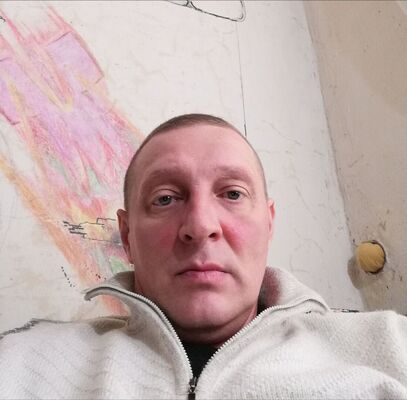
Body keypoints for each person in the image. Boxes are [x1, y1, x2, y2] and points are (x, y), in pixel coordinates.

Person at [1, 113, 407, 399]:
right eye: (165, 198)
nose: (200, 225)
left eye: (232, 194)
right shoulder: (22, 363)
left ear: (268, 223)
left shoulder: (389, 345)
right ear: (127, 236)